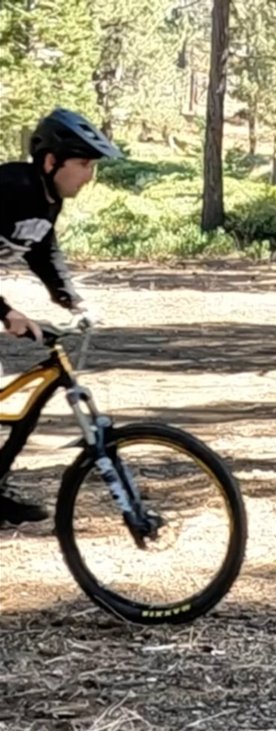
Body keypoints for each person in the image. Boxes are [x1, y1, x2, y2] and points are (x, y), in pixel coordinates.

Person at [0, 108, 122, 524]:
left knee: (38, 387)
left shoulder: (47, 200)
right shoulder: (10, 187)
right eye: (84, 163)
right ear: (51, 161)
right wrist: (6, 312)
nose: (88, 175)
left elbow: (42, 252)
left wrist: (74, 301)